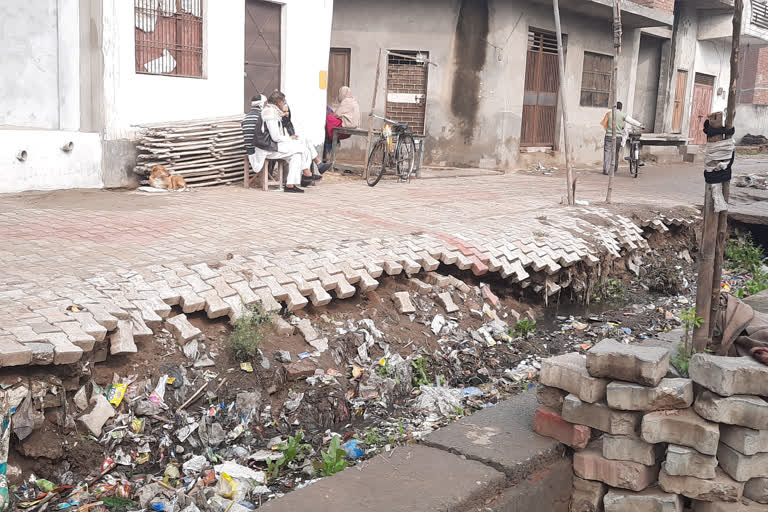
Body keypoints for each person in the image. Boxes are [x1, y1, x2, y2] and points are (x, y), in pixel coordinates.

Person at [260, 91, 321, 192]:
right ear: (278, 102)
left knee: (297, 155)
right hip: (267, 147)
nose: (284, 104)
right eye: (283, 102)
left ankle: (290, 185)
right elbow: (275, 137)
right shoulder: (270, 113)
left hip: (273, 145)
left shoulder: (273, 111)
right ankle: (307, 173)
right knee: (300, 147)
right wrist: (289, 139)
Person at [601, 102, 643, 175]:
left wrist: (609, 131)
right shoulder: (623, 114)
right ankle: (614, 169)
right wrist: (640, 125)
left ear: (614, 107)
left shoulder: (609, 114)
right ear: (621, 108)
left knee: (607, 152)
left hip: (608, 136)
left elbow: (604, 124)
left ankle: (606, 170)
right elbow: (632, 121)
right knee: (616, 153)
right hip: (618, 137)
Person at [324, 86, 361, 157]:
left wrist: (331, 113)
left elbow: (337, 114)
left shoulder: (346, 101)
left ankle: (332, 140)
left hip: (347, 124)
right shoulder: (353, 100)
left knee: (329, 118)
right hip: (353, 124)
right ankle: (333, 141)